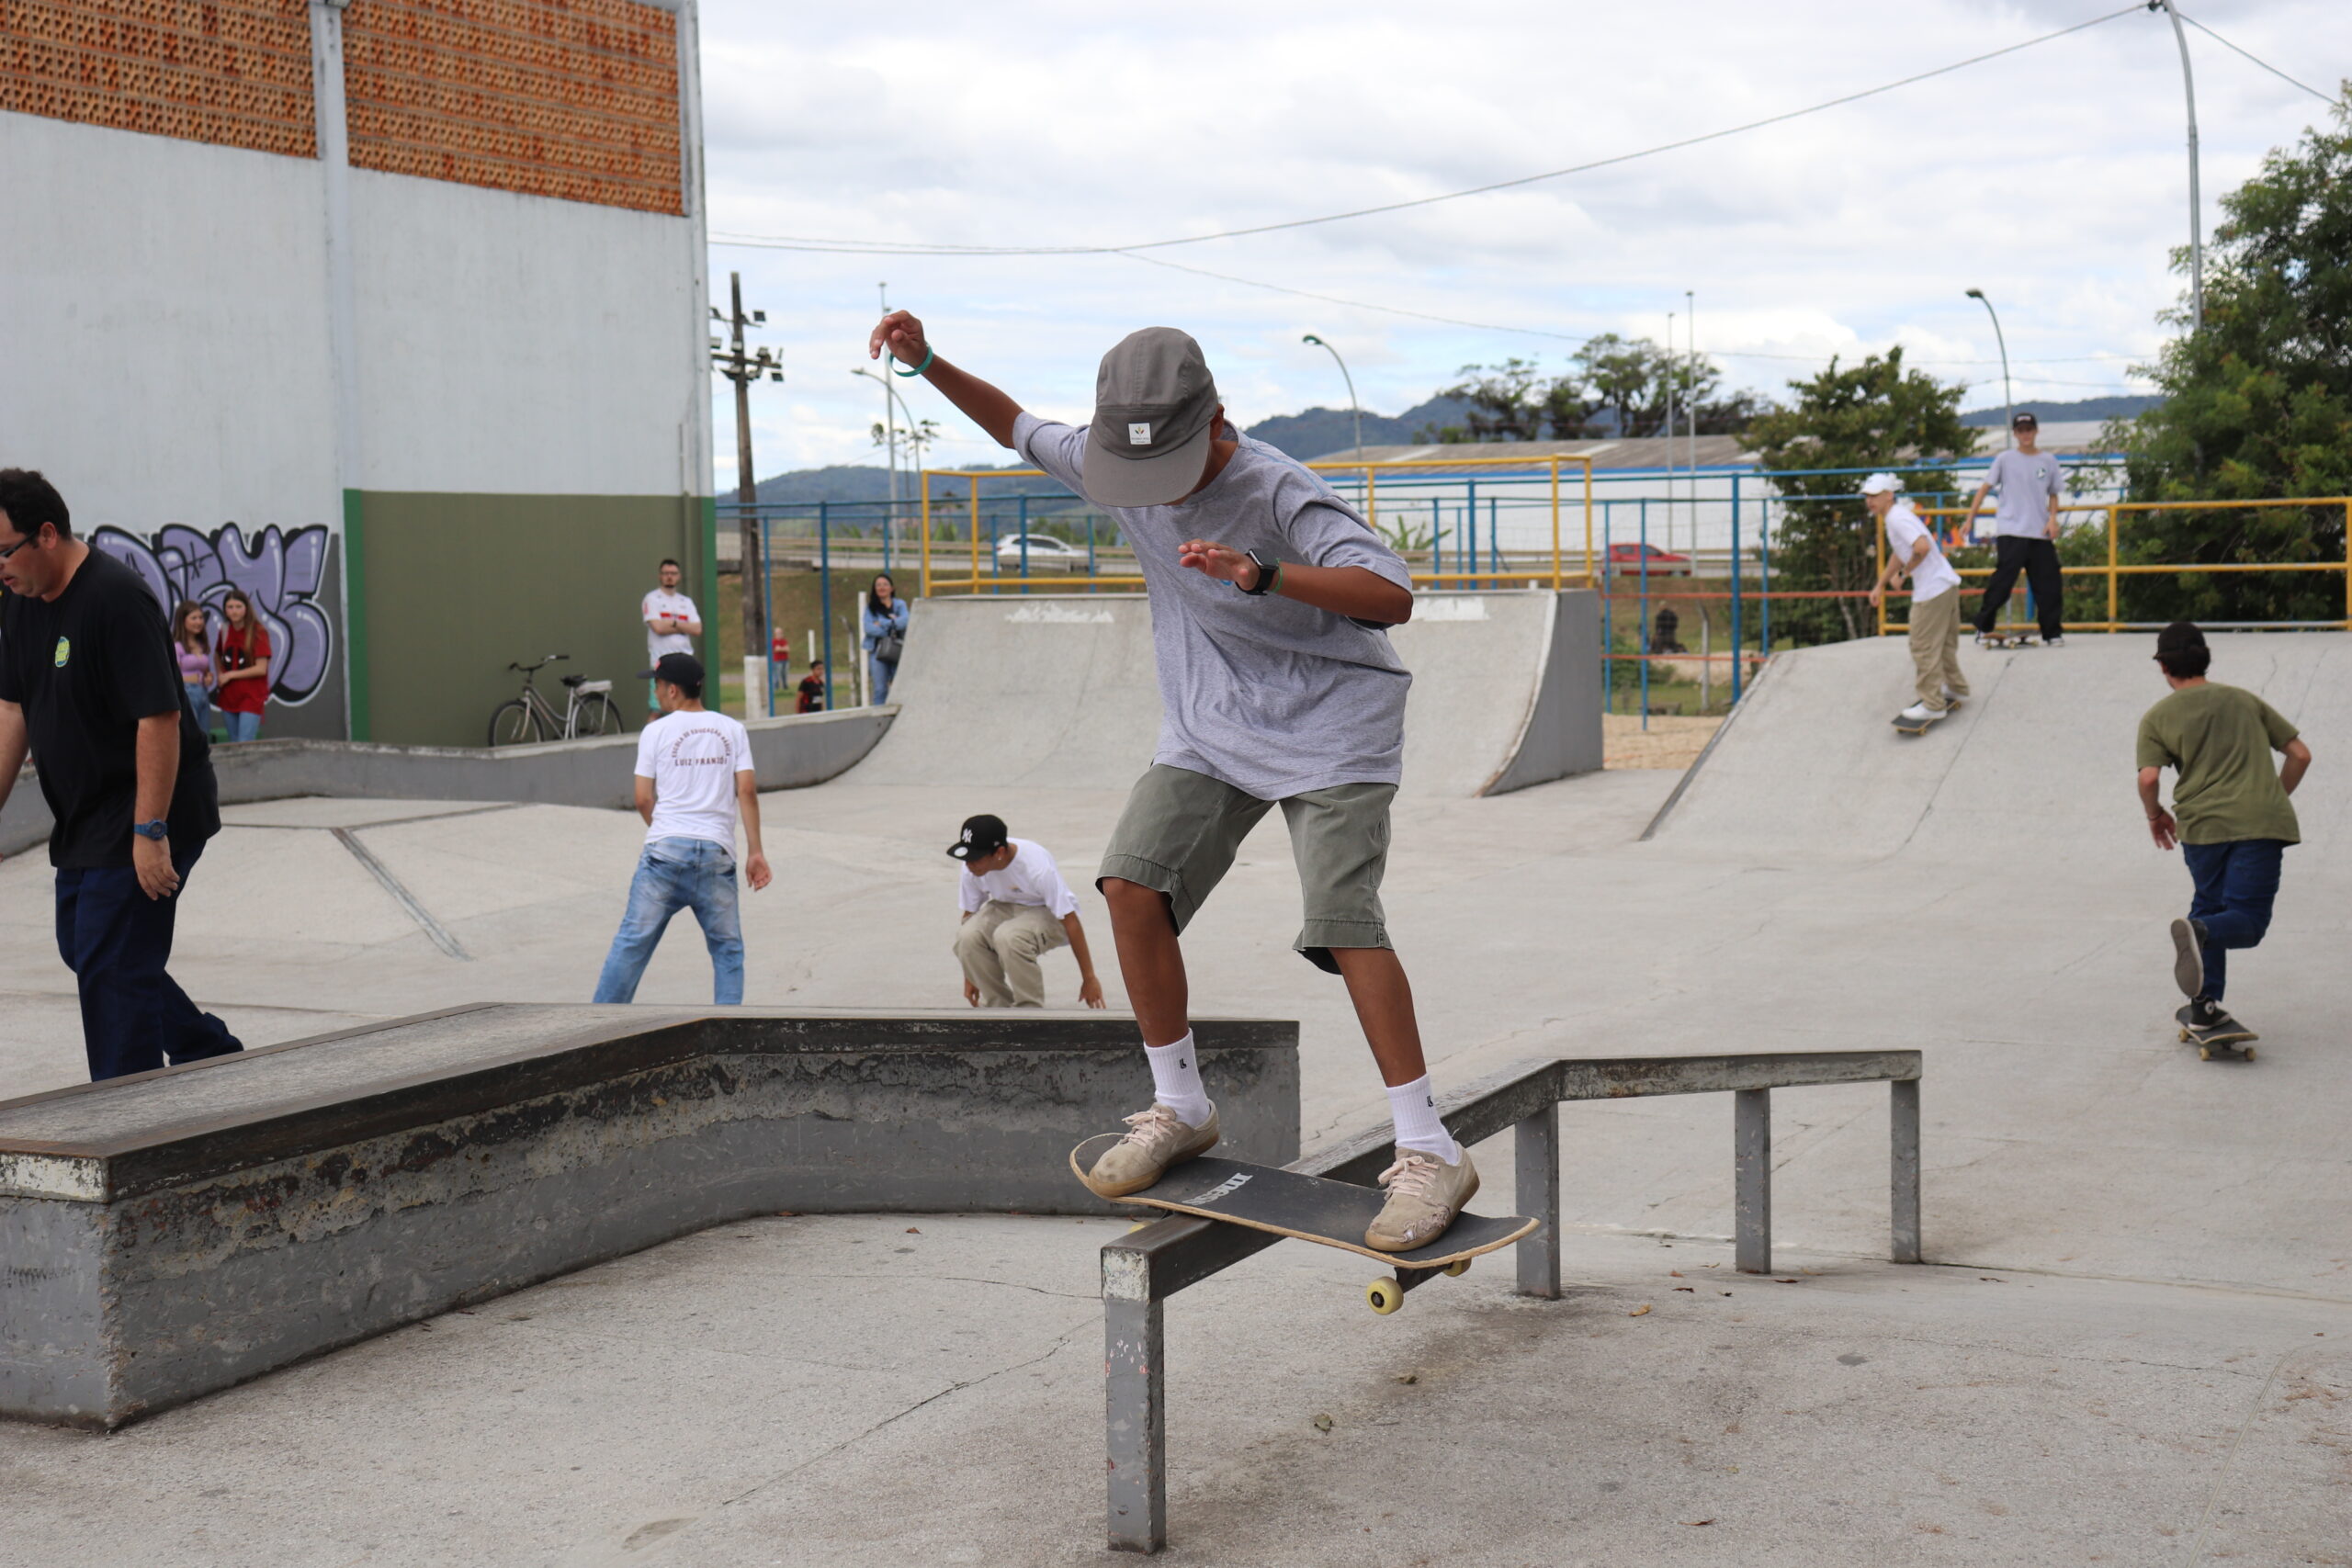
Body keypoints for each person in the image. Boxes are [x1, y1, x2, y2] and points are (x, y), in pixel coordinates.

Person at [870, 309, 1474, 1253]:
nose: (1152, 493)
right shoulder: (1112, 462)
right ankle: (1180, 1105)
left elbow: (1391, 594)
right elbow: (1013, 424)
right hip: (1211, 724)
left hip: (1334, 723)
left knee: (1341, 922)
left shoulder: (1280, 489)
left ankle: (1428, 1147)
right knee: (1128, 884)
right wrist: (928, 361)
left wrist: (1263, 574)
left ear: (1217, 424)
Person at [0, 468, 243, 1080]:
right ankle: (202, 1047)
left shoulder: (115, 597)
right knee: (84, 946)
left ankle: (125, 1126)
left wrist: (151, 830)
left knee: (112, 966)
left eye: (3, 551)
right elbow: (11, 709)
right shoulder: (19, 602)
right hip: (86, 815)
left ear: (47, 535)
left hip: (151, 803)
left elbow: (158, 719)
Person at [2136, 622, 2312, 1048]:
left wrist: (2155, 815)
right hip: (2260, 824)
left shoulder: (2158, 716)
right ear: (2205, 658)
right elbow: (2300, 754)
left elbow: (2147, 780)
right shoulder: (2243, 700)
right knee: (2246, 923)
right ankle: (2199, 935)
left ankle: (2206, 1004)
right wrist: (2270, 796)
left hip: (2201, 827)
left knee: (2209, 907)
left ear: (2163, 667)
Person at [592, 652, 771, 1005]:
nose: (655, 693)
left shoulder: (655, 731)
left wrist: (667, 832)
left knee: (631, 944)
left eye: (657, 685)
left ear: (672, 689)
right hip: (717, 854)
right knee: (728, 952)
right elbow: (746, 791)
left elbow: (643, 799)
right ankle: (728, 1032)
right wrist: (755, 852)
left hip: (665, 854)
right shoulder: (732, 729)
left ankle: (597, 1027)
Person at [948, 813, 1106, 1009]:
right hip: (1004, 906)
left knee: (1008, 937)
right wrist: (971, 976)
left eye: (976, 858)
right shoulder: (971, 869)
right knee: (967, 936)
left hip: (1048, 913)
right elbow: (969, 915)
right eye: (967, 858)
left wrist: (1089, 978)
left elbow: (1070, 920)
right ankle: (997, 1011)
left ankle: (1030, 1012)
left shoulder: (1037, 868)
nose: (969, 864)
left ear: (999, 852)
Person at [1864, 472, 1970, 726]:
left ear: (1889, 495)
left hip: (1932, 590)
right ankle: (1956, 688)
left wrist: (1904, 573)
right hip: (1944, 584)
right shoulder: (1897, 517)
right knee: (1943, 643)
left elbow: (1921, 547)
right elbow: (1901, 553)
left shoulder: (1897, 518)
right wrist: (1881, 584)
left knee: (1922, 646)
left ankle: (1933, 704)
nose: (1870, 501)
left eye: (1875, 495)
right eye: (1867, 496)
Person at [1960, 412, 2067, 647]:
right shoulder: (2005, 459)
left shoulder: (2048, 461)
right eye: (2021, 431)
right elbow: (1984, 488)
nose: (2025, 434)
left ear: (2036, 431)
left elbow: (2053, 494)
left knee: (2048, 583)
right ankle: (1984, 626)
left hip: (2038, 531)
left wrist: (2052, 519)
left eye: (2029, 430)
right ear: (2015, 434)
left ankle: (2052, 632)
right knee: (2003, 582)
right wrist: (1970, 518)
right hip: (2011, 530)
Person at [641, 558, 703, 718]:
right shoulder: (652, 599)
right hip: (660, 661)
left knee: (686, 705)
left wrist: (673, 623)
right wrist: (683, 626)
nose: (669, 577)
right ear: (660, 576)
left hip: (685, 660)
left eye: (673, 573)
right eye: (666, 573)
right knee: (657, 708)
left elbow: (697, 628)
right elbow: (658, 628)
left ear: (679, 576)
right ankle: (650, 741)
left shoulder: (686, 602)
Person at [212, 587, 270, 741]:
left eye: (238, 607)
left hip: (251, 697)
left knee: (245, 743)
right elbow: (217, 654)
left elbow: (261, 668)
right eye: (230, 607)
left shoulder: (258, 631)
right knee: (233, 742)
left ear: (246, 608)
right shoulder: (224, 630)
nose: (234, 611)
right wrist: (219, 673)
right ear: (225, 610)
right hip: (229, 696)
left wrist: (230, 674)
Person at [863, 573, 910, 705]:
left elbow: (905, 621)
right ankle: (878, 716)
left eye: (885, 584)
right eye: (878, 585)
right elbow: (868, 628)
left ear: (892, 588)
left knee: (898, 685)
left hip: (897, 649)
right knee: (880, 689)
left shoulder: (900, 605)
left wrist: (883, 623)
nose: (881, 587)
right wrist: (892, 626)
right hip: (878, 651)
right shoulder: (870, 608)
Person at [172, 599, 216, 735]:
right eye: (194, 618)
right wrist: (190, 678)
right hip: (187, 693)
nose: (199, 622)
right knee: (191, 735)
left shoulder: (201, 644)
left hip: (202, 693)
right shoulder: (177, 646)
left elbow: (205, 670)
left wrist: (209, 676)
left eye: (201, 618)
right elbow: (173, 674)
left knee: (204, 734)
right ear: (183, 620)